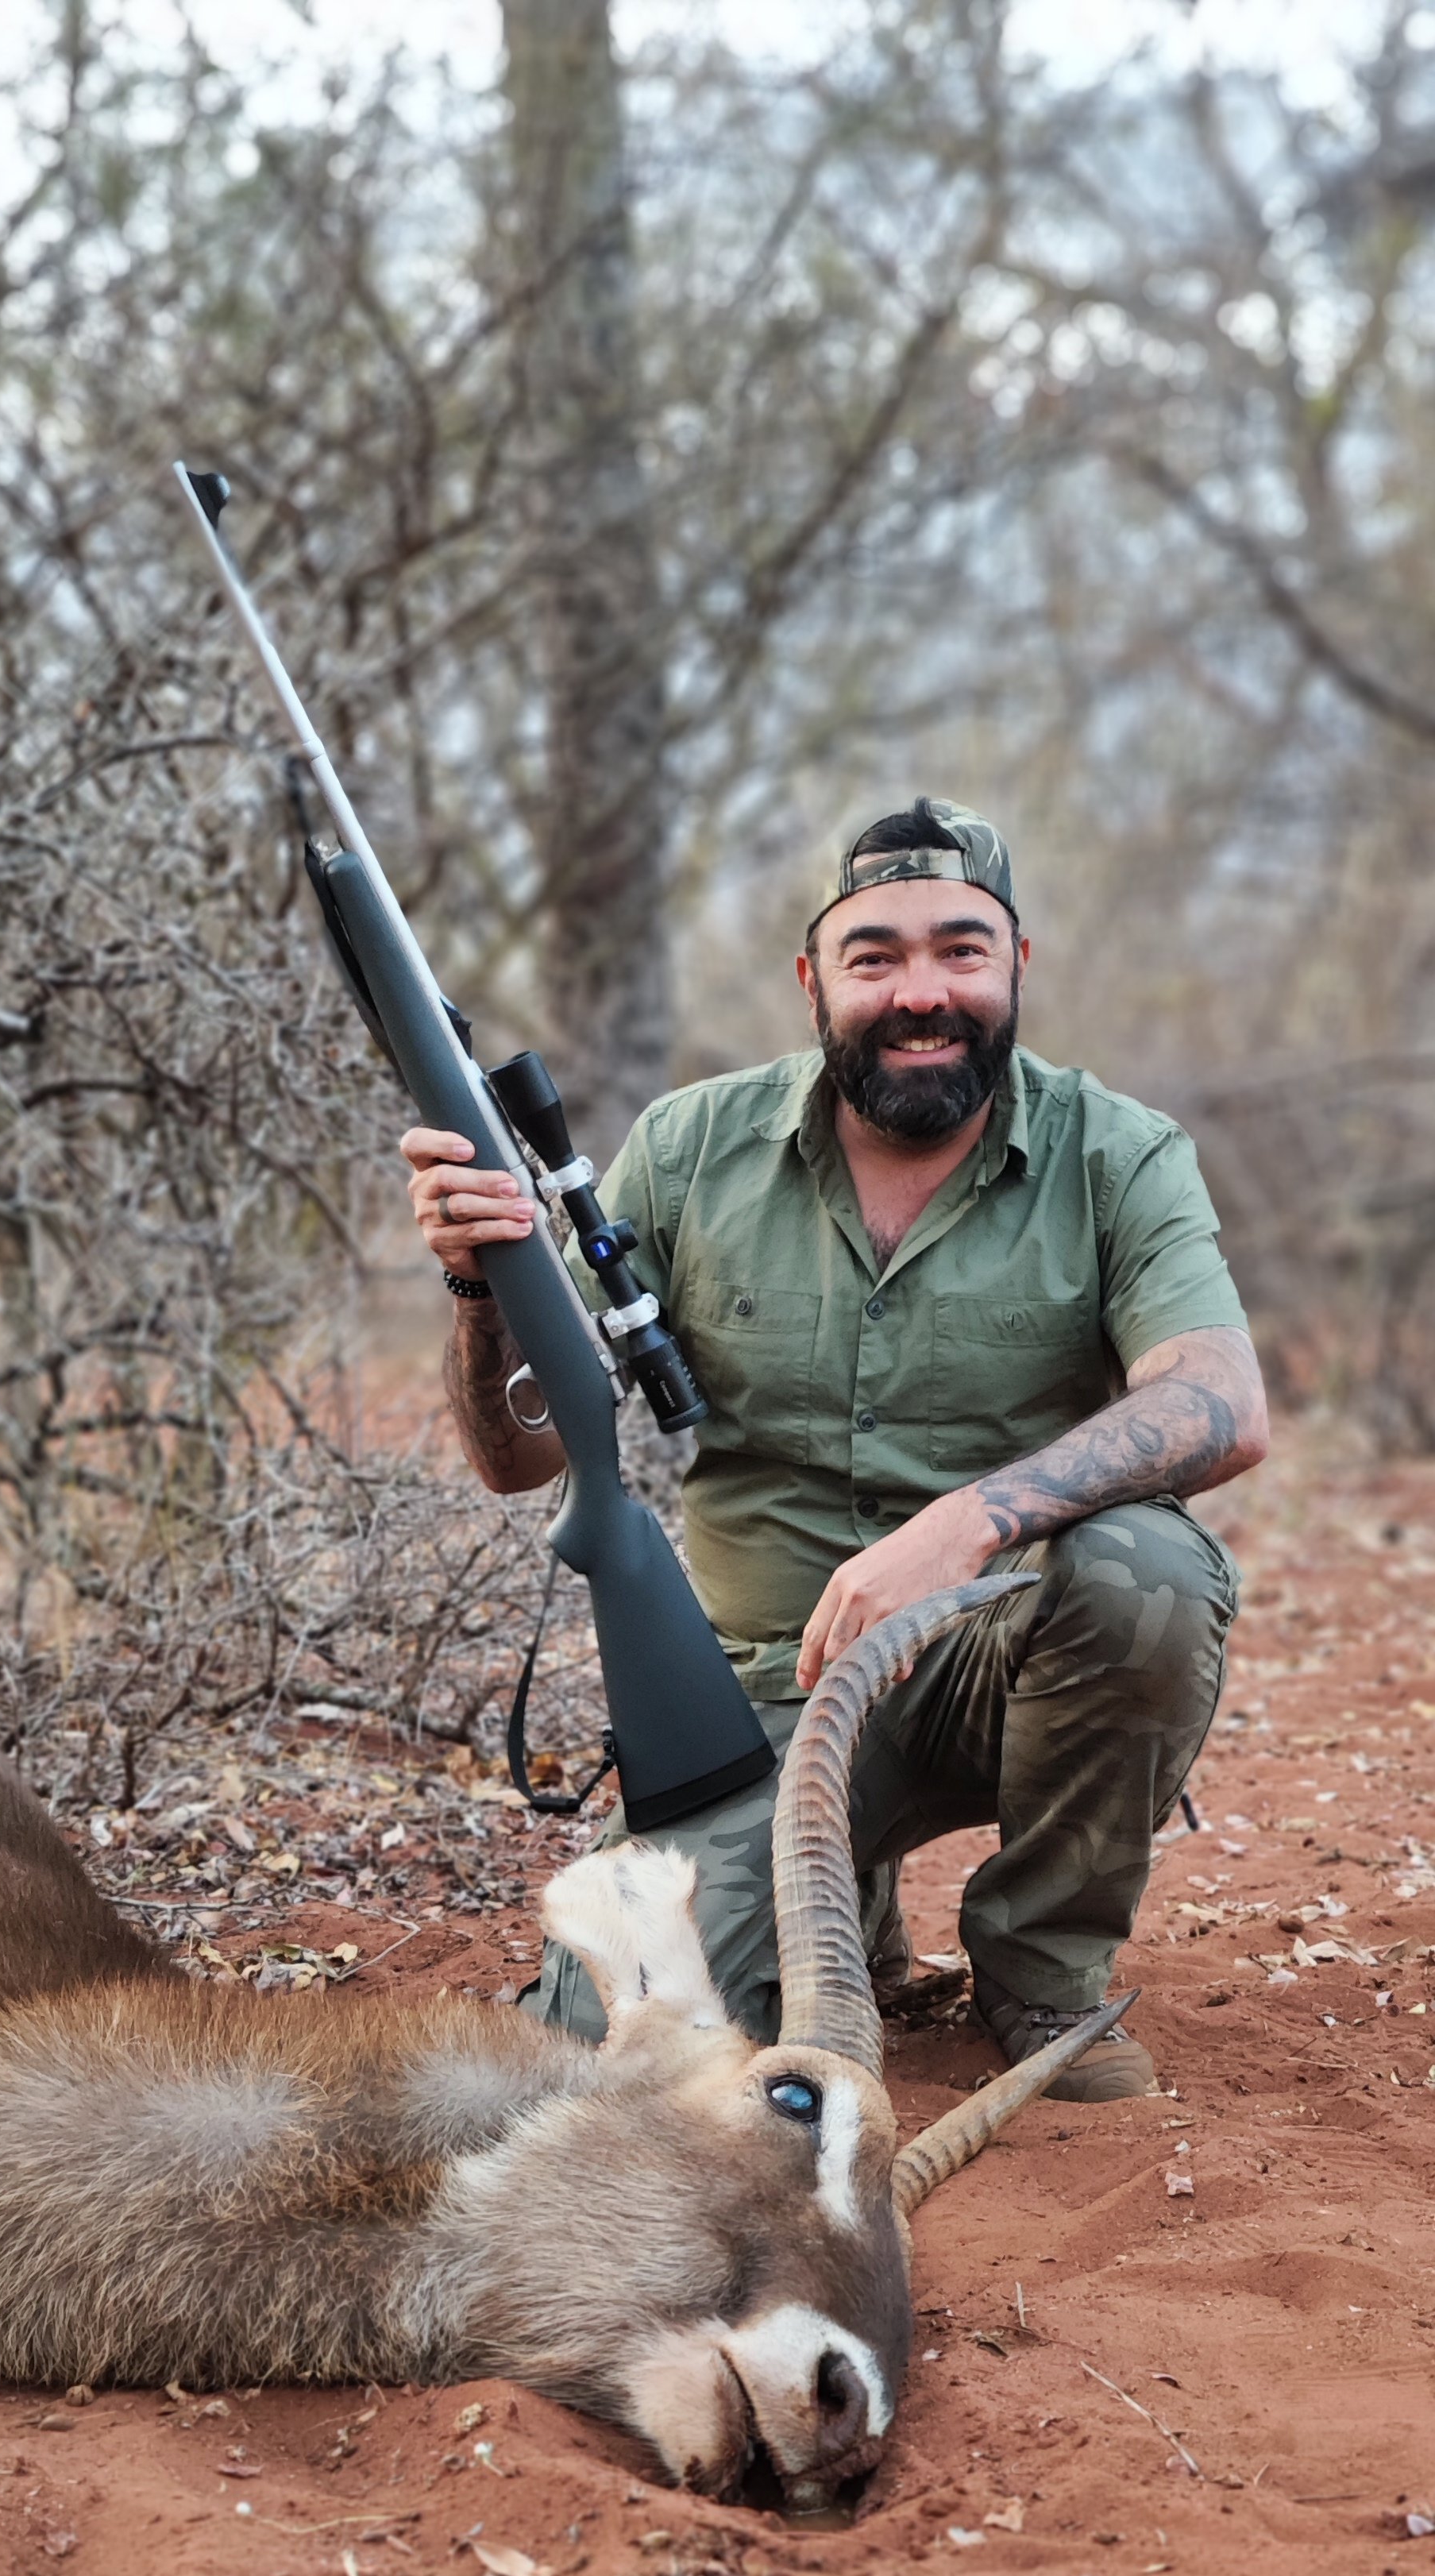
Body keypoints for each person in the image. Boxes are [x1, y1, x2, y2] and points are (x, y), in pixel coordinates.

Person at [401, 796, 1267, 2100]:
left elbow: (1220, 1402)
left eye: (960, 950)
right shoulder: (687, 1150)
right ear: (815, 979)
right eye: (876, 958)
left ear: (1016, 965)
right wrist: (482, 1289)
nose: (922, 991)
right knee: (606, 2045)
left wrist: (967, 1522)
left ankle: (1038, 1971)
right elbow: (518, 1459)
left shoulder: (1121, 1153)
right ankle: (833, 1888)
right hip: (754, 1707)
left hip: (1004, 1669)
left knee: (1149, 1570)